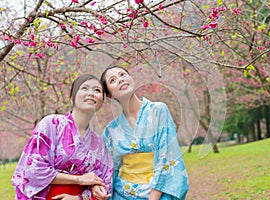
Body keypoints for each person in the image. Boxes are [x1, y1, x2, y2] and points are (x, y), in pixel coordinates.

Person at [11, 74, 113, 200]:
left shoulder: (99, 144)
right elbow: (32, 170)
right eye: (84, 88)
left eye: (97, 90)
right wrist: (79, 179)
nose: (91, 93)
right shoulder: (50, 124)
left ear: (102, 101)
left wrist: (81, 198)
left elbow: (106, 182)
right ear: (71, 98)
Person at [100, 66, 189, 199]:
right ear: (109, 95)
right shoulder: (110, 131)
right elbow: (109, 170)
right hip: (122, 194)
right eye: (113, 80)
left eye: (123, 74)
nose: (120, 80)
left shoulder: (158, 111)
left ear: (131, 79)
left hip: (158, 193)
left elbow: (166, 157)